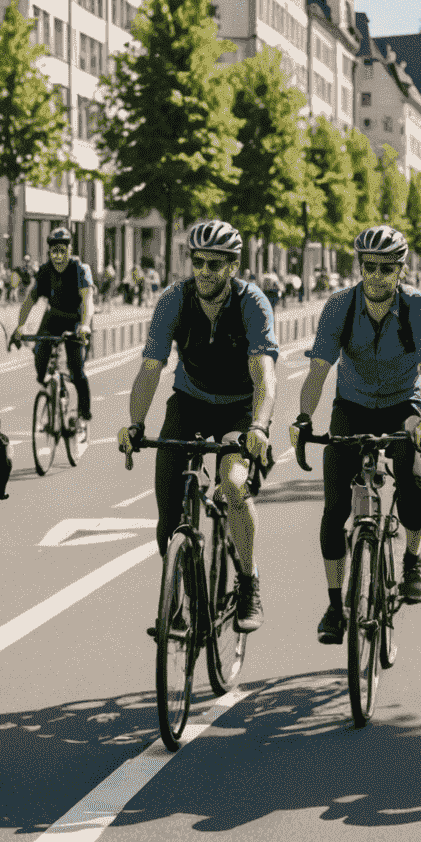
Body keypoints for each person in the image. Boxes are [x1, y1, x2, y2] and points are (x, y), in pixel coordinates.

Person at [118, 219, 276, 632]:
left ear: (232, 267)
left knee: (234, 483)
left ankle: (247, 582)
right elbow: (150, 368)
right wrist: (135, 423)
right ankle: (180, 600)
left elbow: (264, 376)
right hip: (189, 403)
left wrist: (259, 426)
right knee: (168, 512)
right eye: (198, 261)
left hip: (240, 409)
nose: (204, 270)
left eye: (215, 263)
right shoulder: (174, 300)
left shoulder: (252, 304)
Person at [293, 225, 421, 644]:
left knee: (412, 482)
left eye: (386, 268)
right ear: (360, 267)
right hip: (352, 407)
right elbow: (318, 369)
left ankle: (412, 560)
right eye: (369, 267)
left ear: (401, 270)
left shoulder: (416, 307)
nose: (376, 275)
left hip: (403, 408)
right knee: (334, 507)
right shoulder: (340, 306)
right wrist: (304, 418)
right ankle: (335, 604)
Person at [10, 226, 94, 429]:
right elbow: (30, 300)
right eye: (54, 250)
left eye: (63, 250)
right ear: (50, 252)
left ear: (69, 250)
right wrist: (19, 326)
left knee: (76, 369)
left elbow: (87, 300)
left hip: (76, 318)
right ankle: (53, 396)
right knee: (40, 361)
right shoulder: (45, 271)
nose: (58, 255)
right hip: (53, 318)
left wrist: (84, 325)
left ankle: (83, 412)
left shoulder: (80, 269)